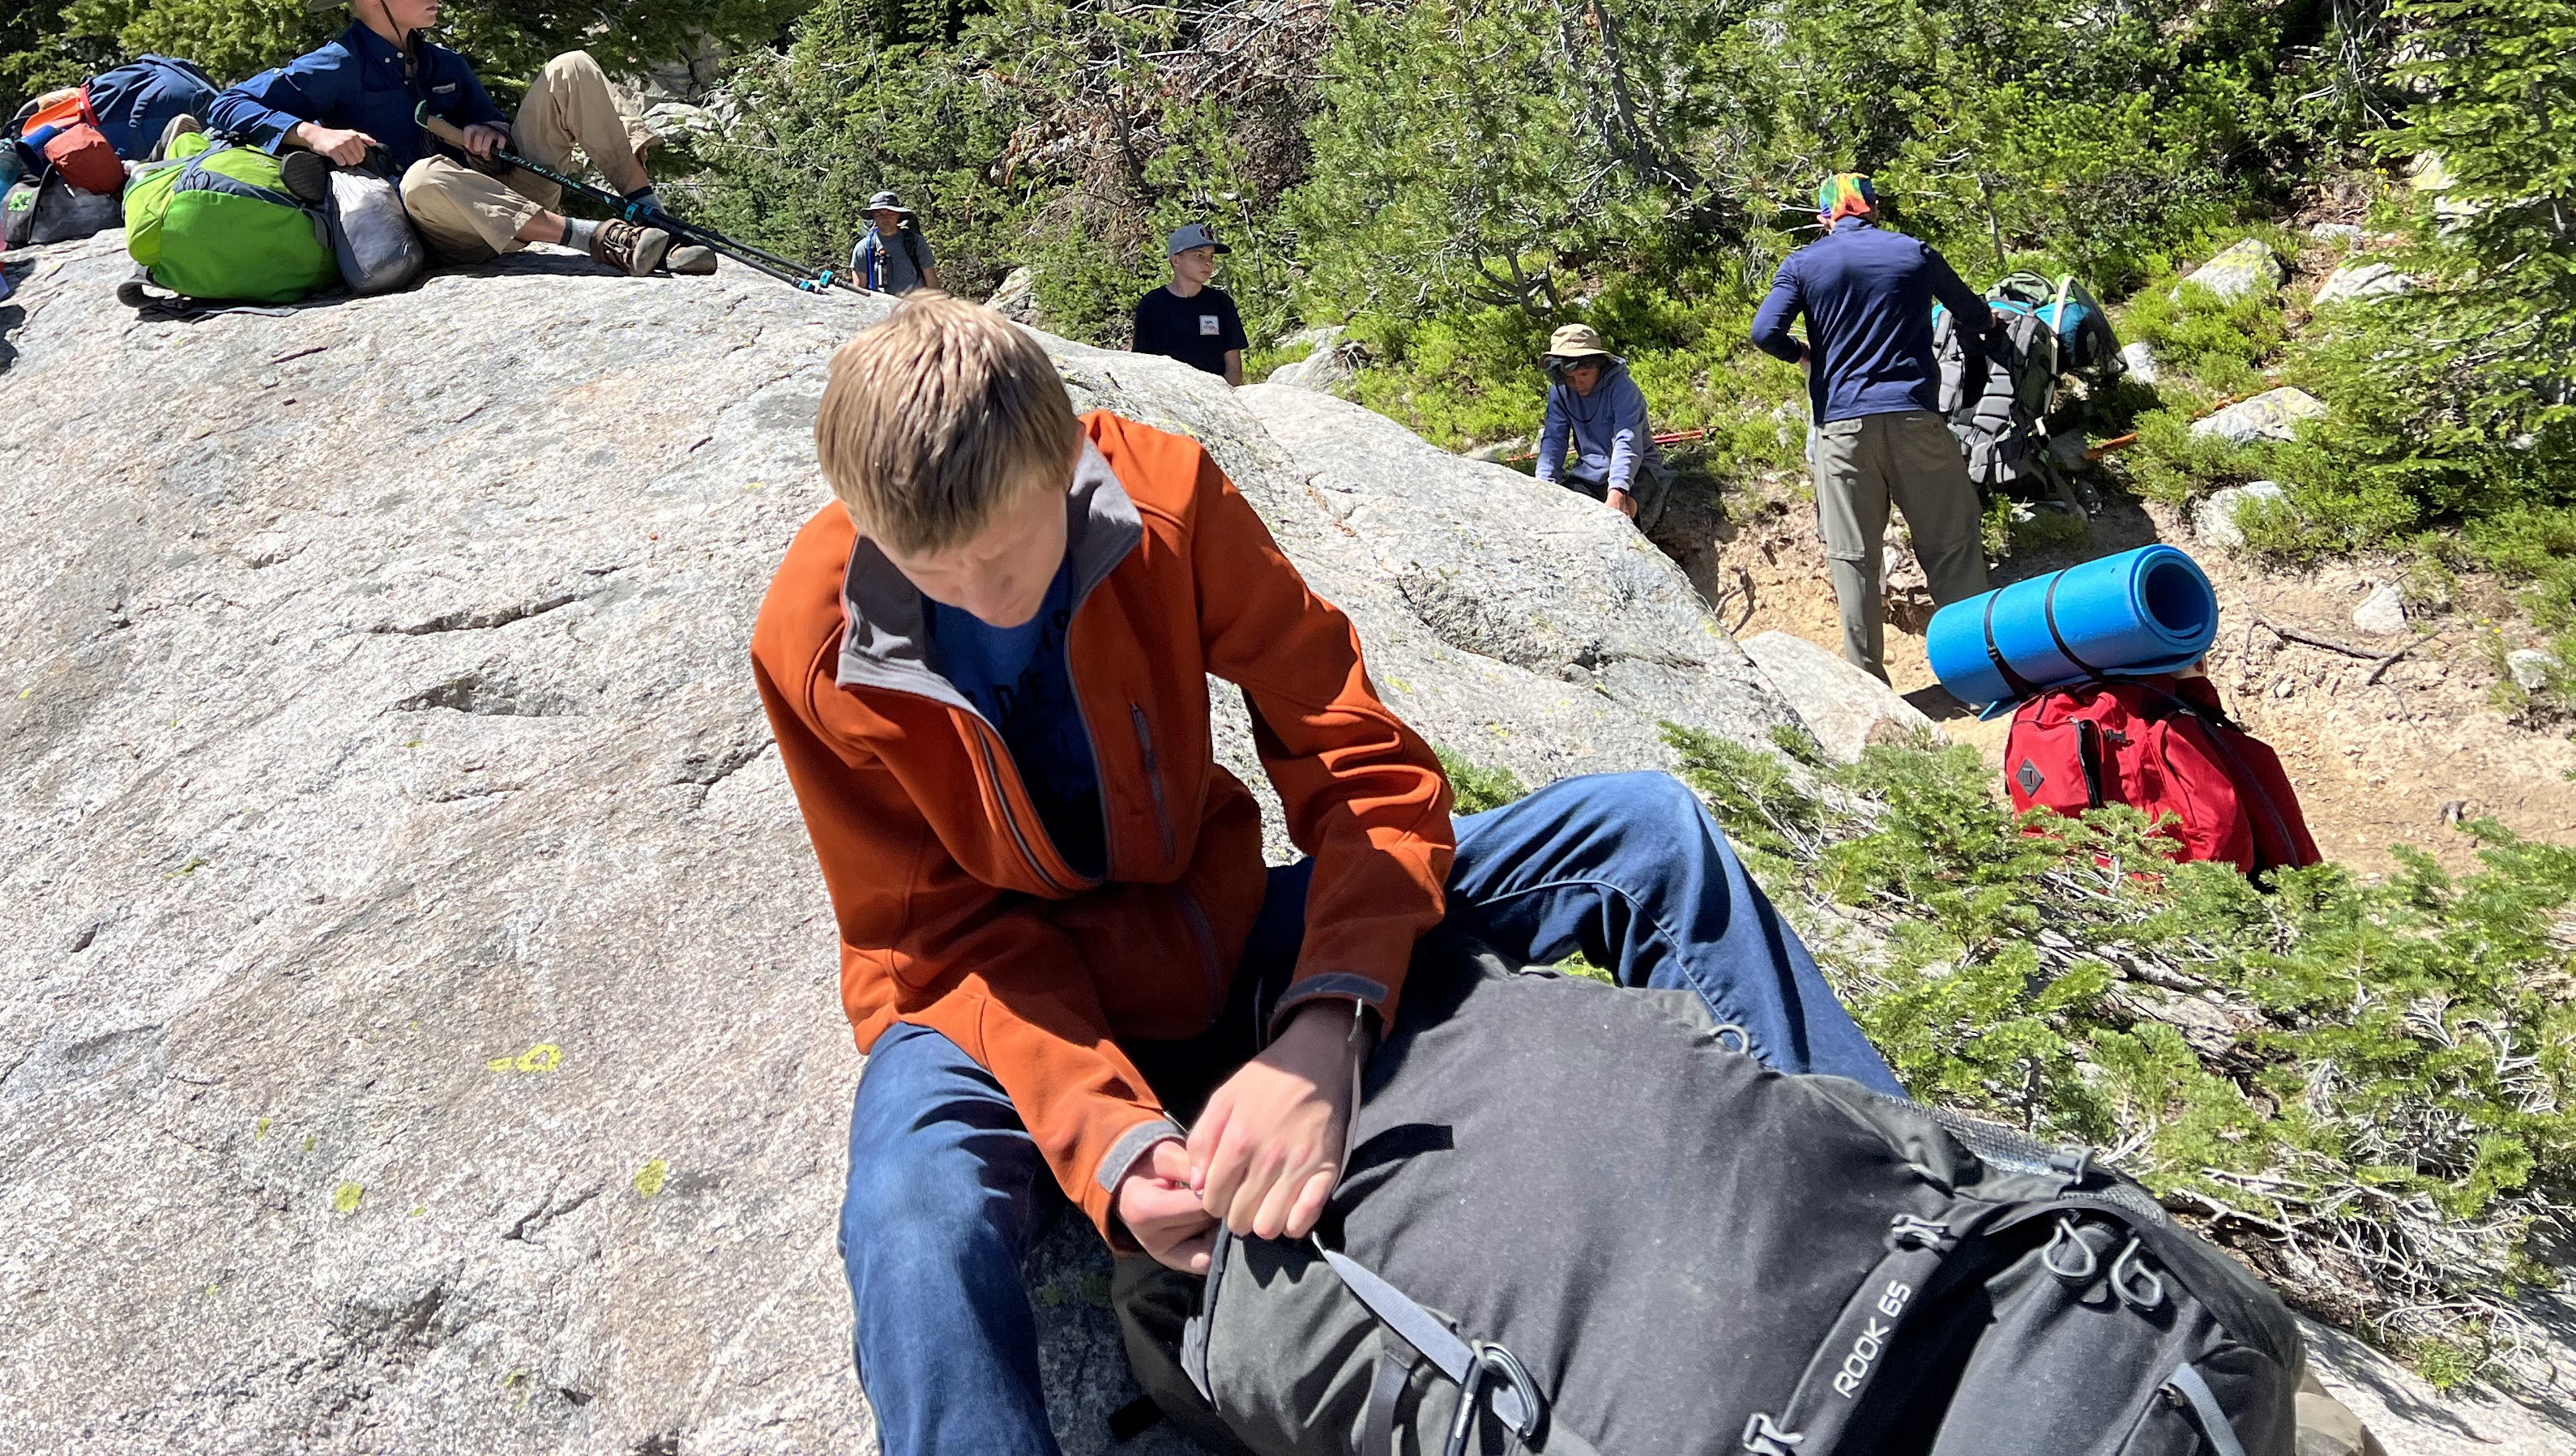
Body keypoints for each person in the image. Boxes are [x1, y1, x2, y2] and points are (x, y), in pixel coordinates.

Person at [753, 297, 1900, 1456]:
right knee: (913, 1213)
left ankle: (1908, 1198)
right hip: (1005, 1019)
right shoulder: (815, 636)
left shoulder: (1163, 499)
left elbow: (1358, 764)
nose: (978, 597)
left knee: (1643, 830)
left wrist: (1329, 1019)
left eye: (1008, 555)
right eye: (933, 573)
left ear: (1068, 462)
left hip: (1229, 940)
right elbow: (929, 942)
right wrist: (1109, 1145)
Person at [206, 0, 707, 276]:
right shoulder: (334, 64)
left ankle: (653, 215)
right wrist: (314, 133)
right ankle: (595, 239)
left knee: (570, 66)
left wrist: (493, 132)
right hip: (443, 228)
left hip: (511, 201)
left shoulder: (443, 62)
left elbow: (494, 125)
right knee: (422, 178)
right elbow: (225, 105)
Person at [1750, 172, 2010, 684]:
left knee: (1854, 557)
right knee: (1951, 545)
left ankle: (1869, 686)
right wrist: (1992, 327)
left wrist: (1802, 353)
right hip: (1915, 417)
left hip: (1843, 429)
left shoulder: (1802, 264)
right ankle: (1979, 680)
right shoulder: (1914, 253)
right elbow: (1973, 313)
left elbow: (1764, 331)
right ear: (1873, 208)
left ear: (1825, 216)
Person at [1535, 323, 1654, 521]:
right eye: (1570, 377)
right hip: (1589, 471)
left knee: (1621, 515)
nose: (1577, 383)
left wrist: (1617, 490)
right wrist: (1543, 485)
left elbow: (1627, 441)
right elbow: (1554, 440)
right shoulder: (1560, 392)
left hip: (1639, 468)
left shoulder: (1624, 390)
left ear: (1599, 365)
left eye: (1584, 375)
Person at [1130, 224, 1248, 386]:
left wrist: (1227, 399)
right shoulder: (1152, 305)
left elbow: (1234, 367)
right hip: (1170, 397)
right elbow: (1142, 364)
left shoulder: (1221, 303)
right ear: (1176, 260)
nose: (1208, 263)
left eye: (1211, 256)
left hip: (1217, 398)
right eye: (1199, 255)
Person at [850, 191, 941, 296]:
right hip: (879, 307)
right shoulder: (864, 248)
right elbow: (859, 289)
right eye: (880, 213)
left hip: (913, 306)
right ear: (873, 216)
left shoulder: (915, 242)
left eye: (890, 213)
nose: (885, 217)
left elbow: (931, 281)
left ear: (898, 215)